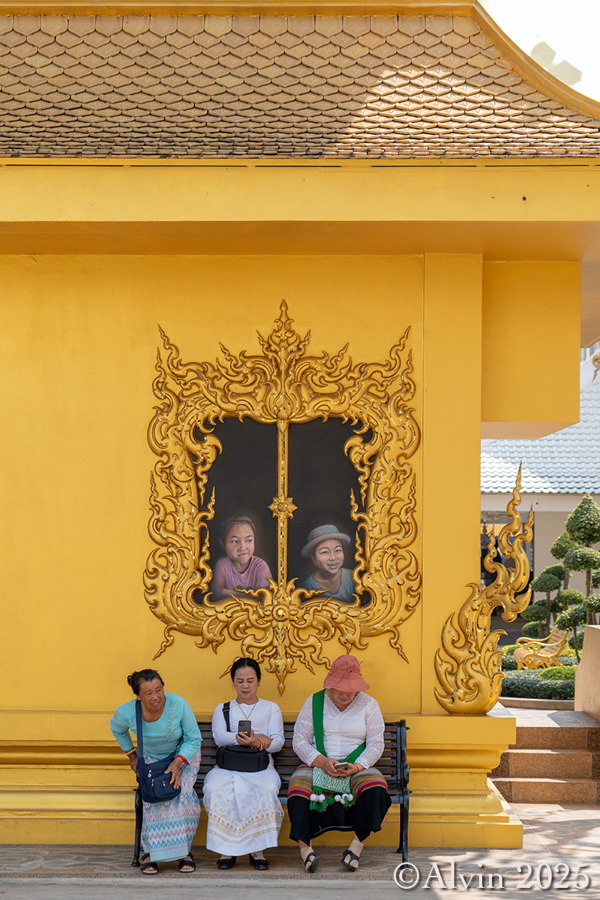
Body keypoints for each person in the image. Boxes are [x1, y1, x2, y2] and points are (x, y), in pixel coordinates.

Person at [287, 654, 391, 873]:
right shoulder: (314, 702)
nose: (345, 694)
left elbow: (376, 743)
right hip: (319, 763)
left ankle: (355, 848)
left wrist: (358, 766)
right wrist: (322, 761)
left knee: (376, 789)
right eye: (340, 689)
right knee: (298, 790)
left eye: (350, 689)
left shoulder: (369, 705)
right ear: (331, 684)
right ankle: (306, 851)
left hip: (356, 767)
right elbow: (299, 740)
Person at [110, 669, 201, 875]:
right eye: (148, 693)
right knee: (153, 796)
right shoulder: (126, 712)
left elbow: (193, 738)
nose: (155, 697)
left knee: (181, 794)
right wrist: (131, 754)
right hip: (151, 756)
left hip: (183, 754)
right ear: (138, 696)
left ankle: (184, 853)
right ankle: (151, 853)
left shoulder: (178, 704)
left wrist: (178, 762)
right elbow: (116, 728)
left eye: (158, 690)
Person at [203, 657, 284, 870]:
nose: (245, 686)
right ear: (233, 682)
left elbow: (278, 742)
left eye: (250, 680)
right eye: (240, 681)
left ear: (259, 681)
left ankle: (257, 850)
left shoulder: (271, 708)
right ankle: (226, 849)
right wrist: (252, 739)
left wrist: (258, 743)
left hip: (260, 766)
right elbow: (219, 737)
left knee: (267, 788)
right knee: (214, 787)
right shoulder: (223, 708)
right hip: (228, 766)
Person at [210, 516, 272, 601]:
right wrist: (248, 595)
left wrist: (229, 592)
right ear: (223, 544)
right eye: (235, 541)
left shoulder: (261, 566)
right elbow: (217, 593)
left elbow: (264, 597)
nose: (242, 548)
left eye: (249, 540)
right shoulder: (222, 565)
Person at [300, 524, 354, 602]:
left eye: (338, 550)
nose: (333, 557)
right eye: (325, 552)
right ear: (314, 559)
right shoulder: (308, 586)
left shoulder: (353, 578)